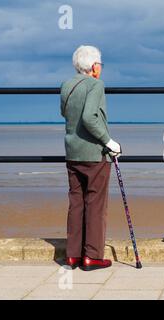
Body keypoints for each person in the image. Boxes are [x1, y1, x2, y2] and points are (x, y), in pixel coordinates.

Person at [60, 45, 121, 271]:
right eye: (100, 65)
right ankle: (92, 256)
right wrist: (109, 141)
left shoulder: (66, 85)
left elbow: (65, 113)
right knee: (95, 204)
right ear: (94, 67)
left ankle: (73, 255)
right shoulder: (96, 85)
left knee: (76, 202)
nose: (100, 68)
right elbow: (89, 117)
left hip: (72, 151)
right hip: (93, 153)